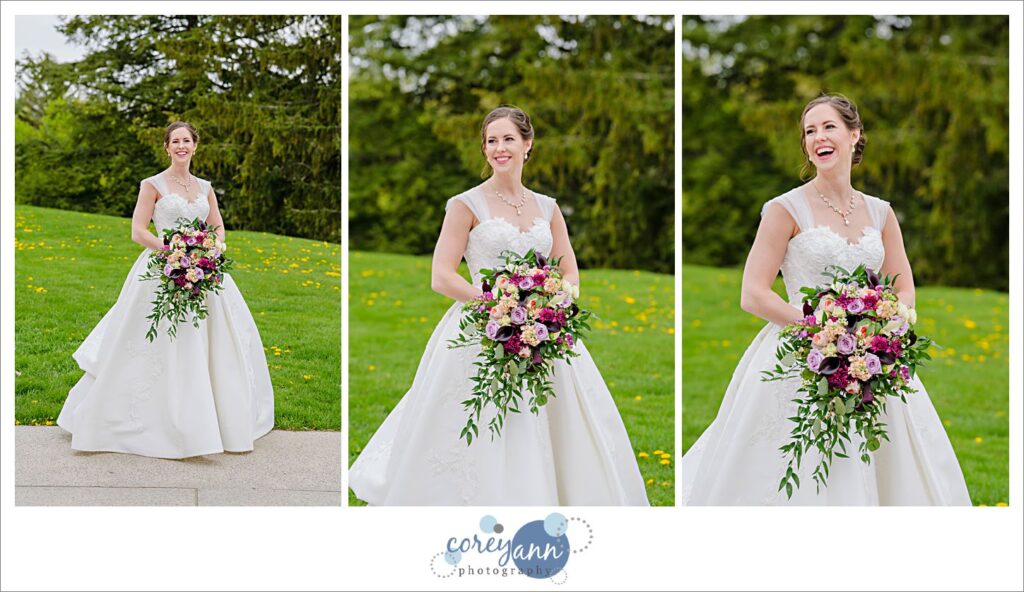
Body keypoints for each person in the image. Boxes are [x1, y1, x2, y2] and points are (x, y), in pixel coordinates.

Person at [349, 106, 649, 505]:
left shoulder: (548, 207)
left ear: (528, 145)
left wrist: (548, 304)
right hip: (481, 329)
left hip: (542, 330)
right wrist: (499, 306)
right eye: (491, 141)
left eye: (508, 139)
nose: (499, 148)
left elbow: (569, 272)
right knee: (475, 418)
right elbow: (442, 276)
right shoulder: (465, 205)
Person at [681, 94, 971, 505]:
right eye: (810, 131)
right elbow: (753, 293)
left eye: (829, 127)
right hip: (801, 354)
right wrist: (821, 331)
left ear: (854, 135)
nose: (818, 137)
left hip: (871, 358)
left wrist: (882, 328)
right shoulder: (784, 209)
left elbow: (904, 287)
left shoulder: (881, 213)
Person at [57, 121, 275, 459]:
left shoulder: (205, 187)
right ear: (167, 147)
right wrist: (171, 250)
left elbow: (217, 226)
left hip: (202, 269)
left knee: (211, 340)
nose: (181, 146)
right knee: (150, 338)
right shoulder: (152, 185)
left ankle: (211, 420)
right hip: (161, 267)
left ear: (195, 145)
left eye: (186, 140)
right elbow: (138, 231)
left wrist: (209, 248)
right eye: (175, 141)